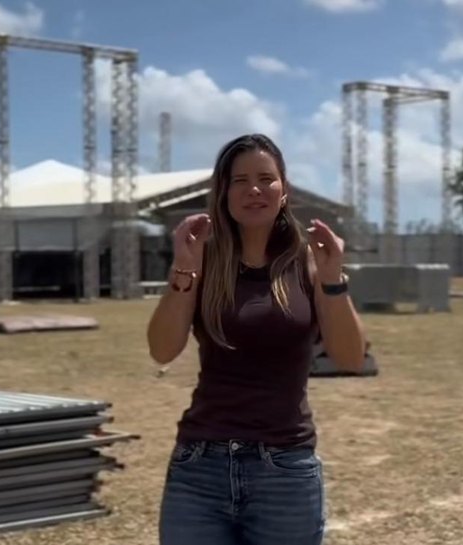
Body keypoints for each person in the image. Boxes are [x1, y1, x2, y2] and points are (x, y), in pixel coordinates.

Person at [146, 133, 366, 545]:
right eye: (240, 180)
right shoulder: (203, 260)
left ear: (284, 191)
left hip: (284, 469)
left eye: (266, 179)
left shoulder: (309, 263)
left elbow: (351, 358)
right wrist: (183, 268)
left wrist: (333, 278)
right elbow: (162, 349)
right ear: (223, 192)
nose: (254, 190)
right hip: (200, 467)